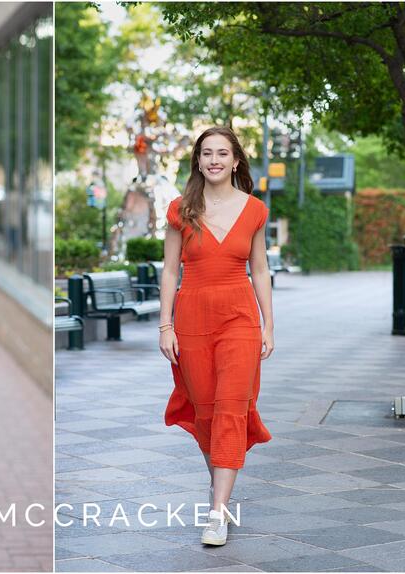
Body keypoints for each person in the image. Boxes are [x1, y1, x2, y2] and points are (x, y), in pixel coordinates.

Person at [159, 126, 274, 547]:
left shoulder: (255, 210)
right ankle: (219, 490)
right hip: (191, 320)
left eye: (222, 153)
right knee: (206, 411)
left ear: (236, 160)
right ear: (198, 161)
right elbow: (170, 270)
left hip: (239, 318)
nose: (214, 160)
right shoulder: (180, 210)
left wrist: (268, 324)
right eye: (207, 153)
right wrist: (165, 325)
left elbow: (259, 269)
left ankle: (218, 512)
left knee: (230, 409)